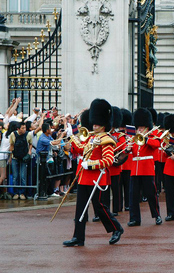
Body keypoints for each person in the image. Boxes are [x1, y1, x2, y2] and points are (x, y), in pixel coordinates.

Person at [63, 99, 123, 247]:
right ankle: (78, 237)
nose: (94, 125)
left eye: (97, 123)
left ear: (103, 124)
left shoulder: (106, 140)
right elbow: (82, 149)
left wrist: (90, 164)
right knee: (80, 208)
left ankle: (117, 228)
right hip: (84, 178)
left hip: (97, 178)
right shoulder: (91, 137)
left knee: (100, 207)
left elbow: (108, 160)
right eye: (94, 123)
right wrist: (72, 141)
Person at [127, 108, 162, 226]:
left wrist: (145, 139)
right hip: (135, 170)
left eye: (141, 128)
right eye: (137, 128)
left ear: (147, 127)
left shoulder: (151, 136)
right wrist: (127, 148)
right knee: (133, 195)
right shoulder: (134, 137)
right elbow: (130, 152)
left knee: (151, 194)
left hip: (147, 169)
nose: (138, 130)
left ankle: (157, 215)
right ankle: (134, 218)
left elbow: (157, 144)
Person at [9, 122, 33, 200]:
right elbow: (11, 145)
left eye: (25, 128)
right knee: (15, 176)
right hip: (15, 157)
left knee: (23, 176)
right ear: (18, 129)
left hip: (24, 157)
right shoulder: (13, 134)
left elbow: (30, 143)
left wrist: (29, 152)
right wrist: (10, 157)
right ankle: (16, 193)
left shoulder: (28, 134)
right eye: (22, 128)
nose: (24, 129)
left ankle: (22, 193)